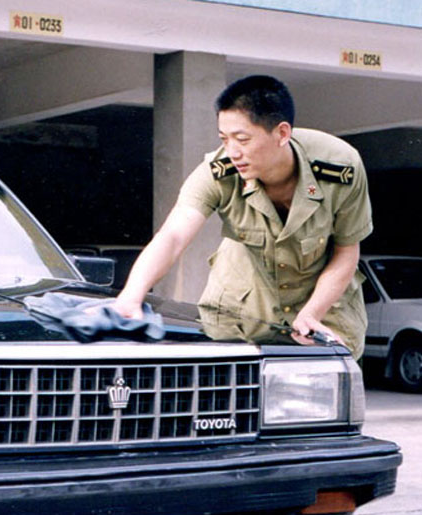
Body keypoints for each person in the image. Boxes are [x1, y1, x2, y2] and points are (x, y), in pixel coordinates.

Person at [113, 75, 372, 358]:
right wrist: (131, 295)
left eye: (243, 139)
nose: (233, 152)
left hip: (324, 307)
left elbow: (347, 251)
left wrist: (312, 313)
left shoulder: (340, 167)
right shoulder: (218, 172)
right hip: (244, 311)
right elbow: (173, 235)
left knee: (326, 377)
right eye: (224, 139)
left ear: (282, 134)